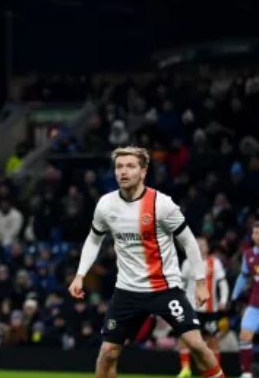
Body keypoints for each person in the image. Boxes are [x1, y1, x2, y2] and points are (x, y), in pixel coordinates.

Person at [69, 146, 226, 378]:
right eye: (119, 167)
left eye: (130, 166)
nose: (123, 171)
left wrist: (201, 281)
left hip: (165, 288)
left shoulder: (162, 204)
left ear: (143, 172)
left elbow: (189, 242)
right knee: (108, 353)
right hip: (127, 291)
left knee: (195, 344)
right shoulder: (106, 205)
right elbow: (94, 240)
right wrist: (80, 275)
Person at [177, 237, 228, 378]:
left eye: (203, 245)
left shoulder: (215, 262)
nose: (200, 247)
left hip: (210, 309)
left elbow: (222, 283)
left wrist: (223, 300)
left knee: (212, 341)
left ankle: (216, 371)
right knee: (184, 337)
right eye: (197, 244)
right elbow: (181, 284)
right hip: (190, 308)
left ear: (207, 247)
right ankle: (185, 370)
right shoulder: (188, 262)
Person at [232, 222, 259, 378]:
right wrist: (234, 295)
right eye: (255, 232)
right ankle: (247, 373)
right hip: (255, 305)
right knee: (244, 336)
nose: (257, 235)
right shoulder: (248, 254)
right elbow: (243, 277)